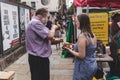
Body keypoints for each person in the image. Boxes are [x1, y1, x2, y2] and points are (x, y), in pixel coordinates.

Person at [25, 8, 59, 80]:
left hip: (39, 57)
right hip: (38, 58)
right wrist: (53, 28)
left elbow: (45, 36)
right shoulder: (35, 23)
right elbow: (50, 36)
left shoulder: (37, 23)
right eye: (47, 16)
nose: (47, 18)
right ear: (43, 15)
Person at [63, 14, 98, 80]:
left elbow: (81, 55)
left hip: (83, 67)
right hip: (92, 64)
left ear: (82, 22)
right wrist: (72, 44)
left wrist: (69, 50)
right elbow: (87, 47)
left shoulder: (82, 36)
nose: (75, 23)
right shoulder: (93, 34)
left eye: (77, 21)